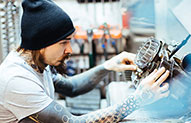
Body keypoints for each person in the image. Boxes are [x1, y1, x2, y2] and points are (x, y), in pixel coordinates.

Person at [0, 0, 170, 122]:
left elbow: (71, 87)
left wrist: (108, 66)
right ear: (41, 44)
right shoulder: (17, 80)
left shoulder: (37, 63)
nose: (70, 50)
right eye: (63, 42)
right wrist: (138, 98)